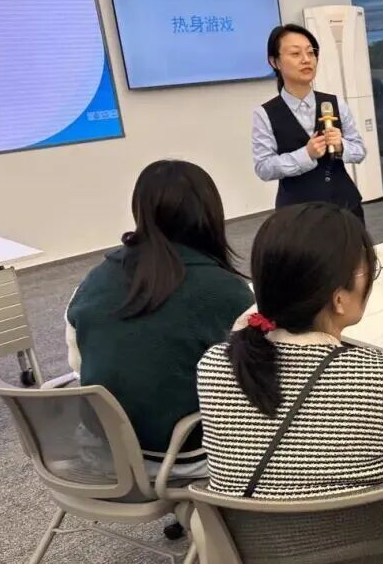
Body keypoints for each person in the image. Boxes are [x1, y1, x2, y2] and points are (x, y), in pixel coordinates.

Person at [196, 203, 383, 544]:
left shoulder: (214, 366)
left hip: (251, 548)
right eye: (369, 270)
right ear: (339, 299)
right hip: (374, 547)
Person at [65, 160, 253, 477]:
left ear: (140, 211)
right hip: (187, 456)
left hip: (105, 451)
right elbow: (259, 386)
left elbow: (79, 366)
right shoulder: (227, 293)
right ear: (209, 213)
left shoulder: (93, 281)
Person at [252, 24, 367, 222]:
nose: (306, 59)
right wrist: (306, 155)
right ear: (274, 62)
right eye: (295, 53)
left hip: (346, 207)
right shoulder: (265, 114)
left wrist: (341, 146)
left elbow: (359, 150)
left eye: (311, 52)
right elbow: (264, 167)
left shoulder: (335, 103)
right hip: (298, 214)